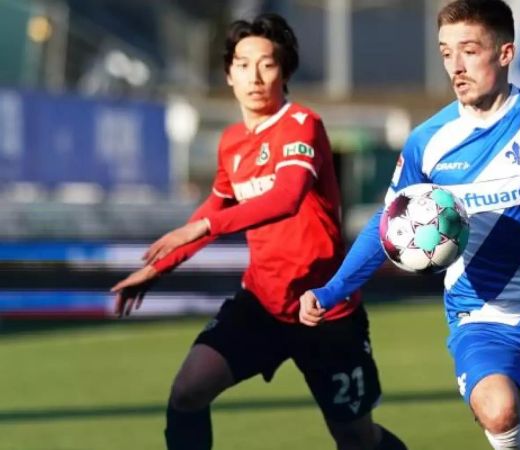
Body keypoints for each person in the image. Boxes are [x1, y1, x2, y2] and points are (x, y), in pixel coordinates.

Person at [299, 1, 520, 449]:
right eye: (446, 53)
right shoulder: (428, 140)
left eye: (469, 50)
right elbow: (388, 225)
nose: (456, 67)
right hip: (481, 315)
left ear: (505, 53)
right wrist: (333, 289)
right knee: (497, 408)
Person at [110, 13, 406, 450]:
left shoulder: (302, 125)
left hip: (325, 309)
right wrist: (160, 267)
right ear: (229, 74)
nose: (255, 75)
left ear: (283, 71)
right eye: (243, 64)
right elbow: (215, 206)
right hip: (263, 304)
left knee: (355, 437)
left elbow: (286, 197)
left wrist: (203, 227)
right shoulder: (231, 142)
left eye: (267, 64)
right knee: (188, 390)